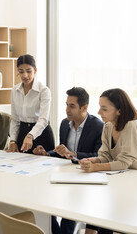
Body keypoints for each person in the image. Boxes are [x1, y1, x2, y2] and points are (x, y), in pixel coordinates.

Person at [79, 88, 137, 234]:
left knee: (108, 211)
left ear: (119, 111)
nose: (98, 112)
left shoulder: (131, 126)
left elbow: (124, 162)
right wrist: (92, 160)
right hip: (124, 178)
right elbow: (106, 155)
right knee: (102, 209)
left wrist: (95, 167)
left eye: (104, 109)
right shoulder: (108, 126)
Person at [33, 87, 103, 234]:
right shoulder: (65, 124)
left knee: (68, 211)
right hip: (65, 174)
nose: (67, 109)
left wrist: (72, 154)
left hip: (87, 176)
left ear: (84, 107)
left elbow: (98, 155)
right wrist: (47, 153)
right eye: (66, 104)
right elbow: (62, 153)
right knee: (45, 204)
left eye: (72, 106)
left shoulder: (98, 126)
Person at [7, 54, 55, 154]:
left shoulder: (44, 91)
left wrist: (30, 135)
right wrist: (13, 140)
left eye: (29, 71)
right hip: (23, 134)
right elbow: (15, 119)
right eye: (21, 71)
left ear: (35, 70)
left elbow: (43, 120)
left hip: (42, 135)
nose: (25, 75)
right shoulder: (14, 91)